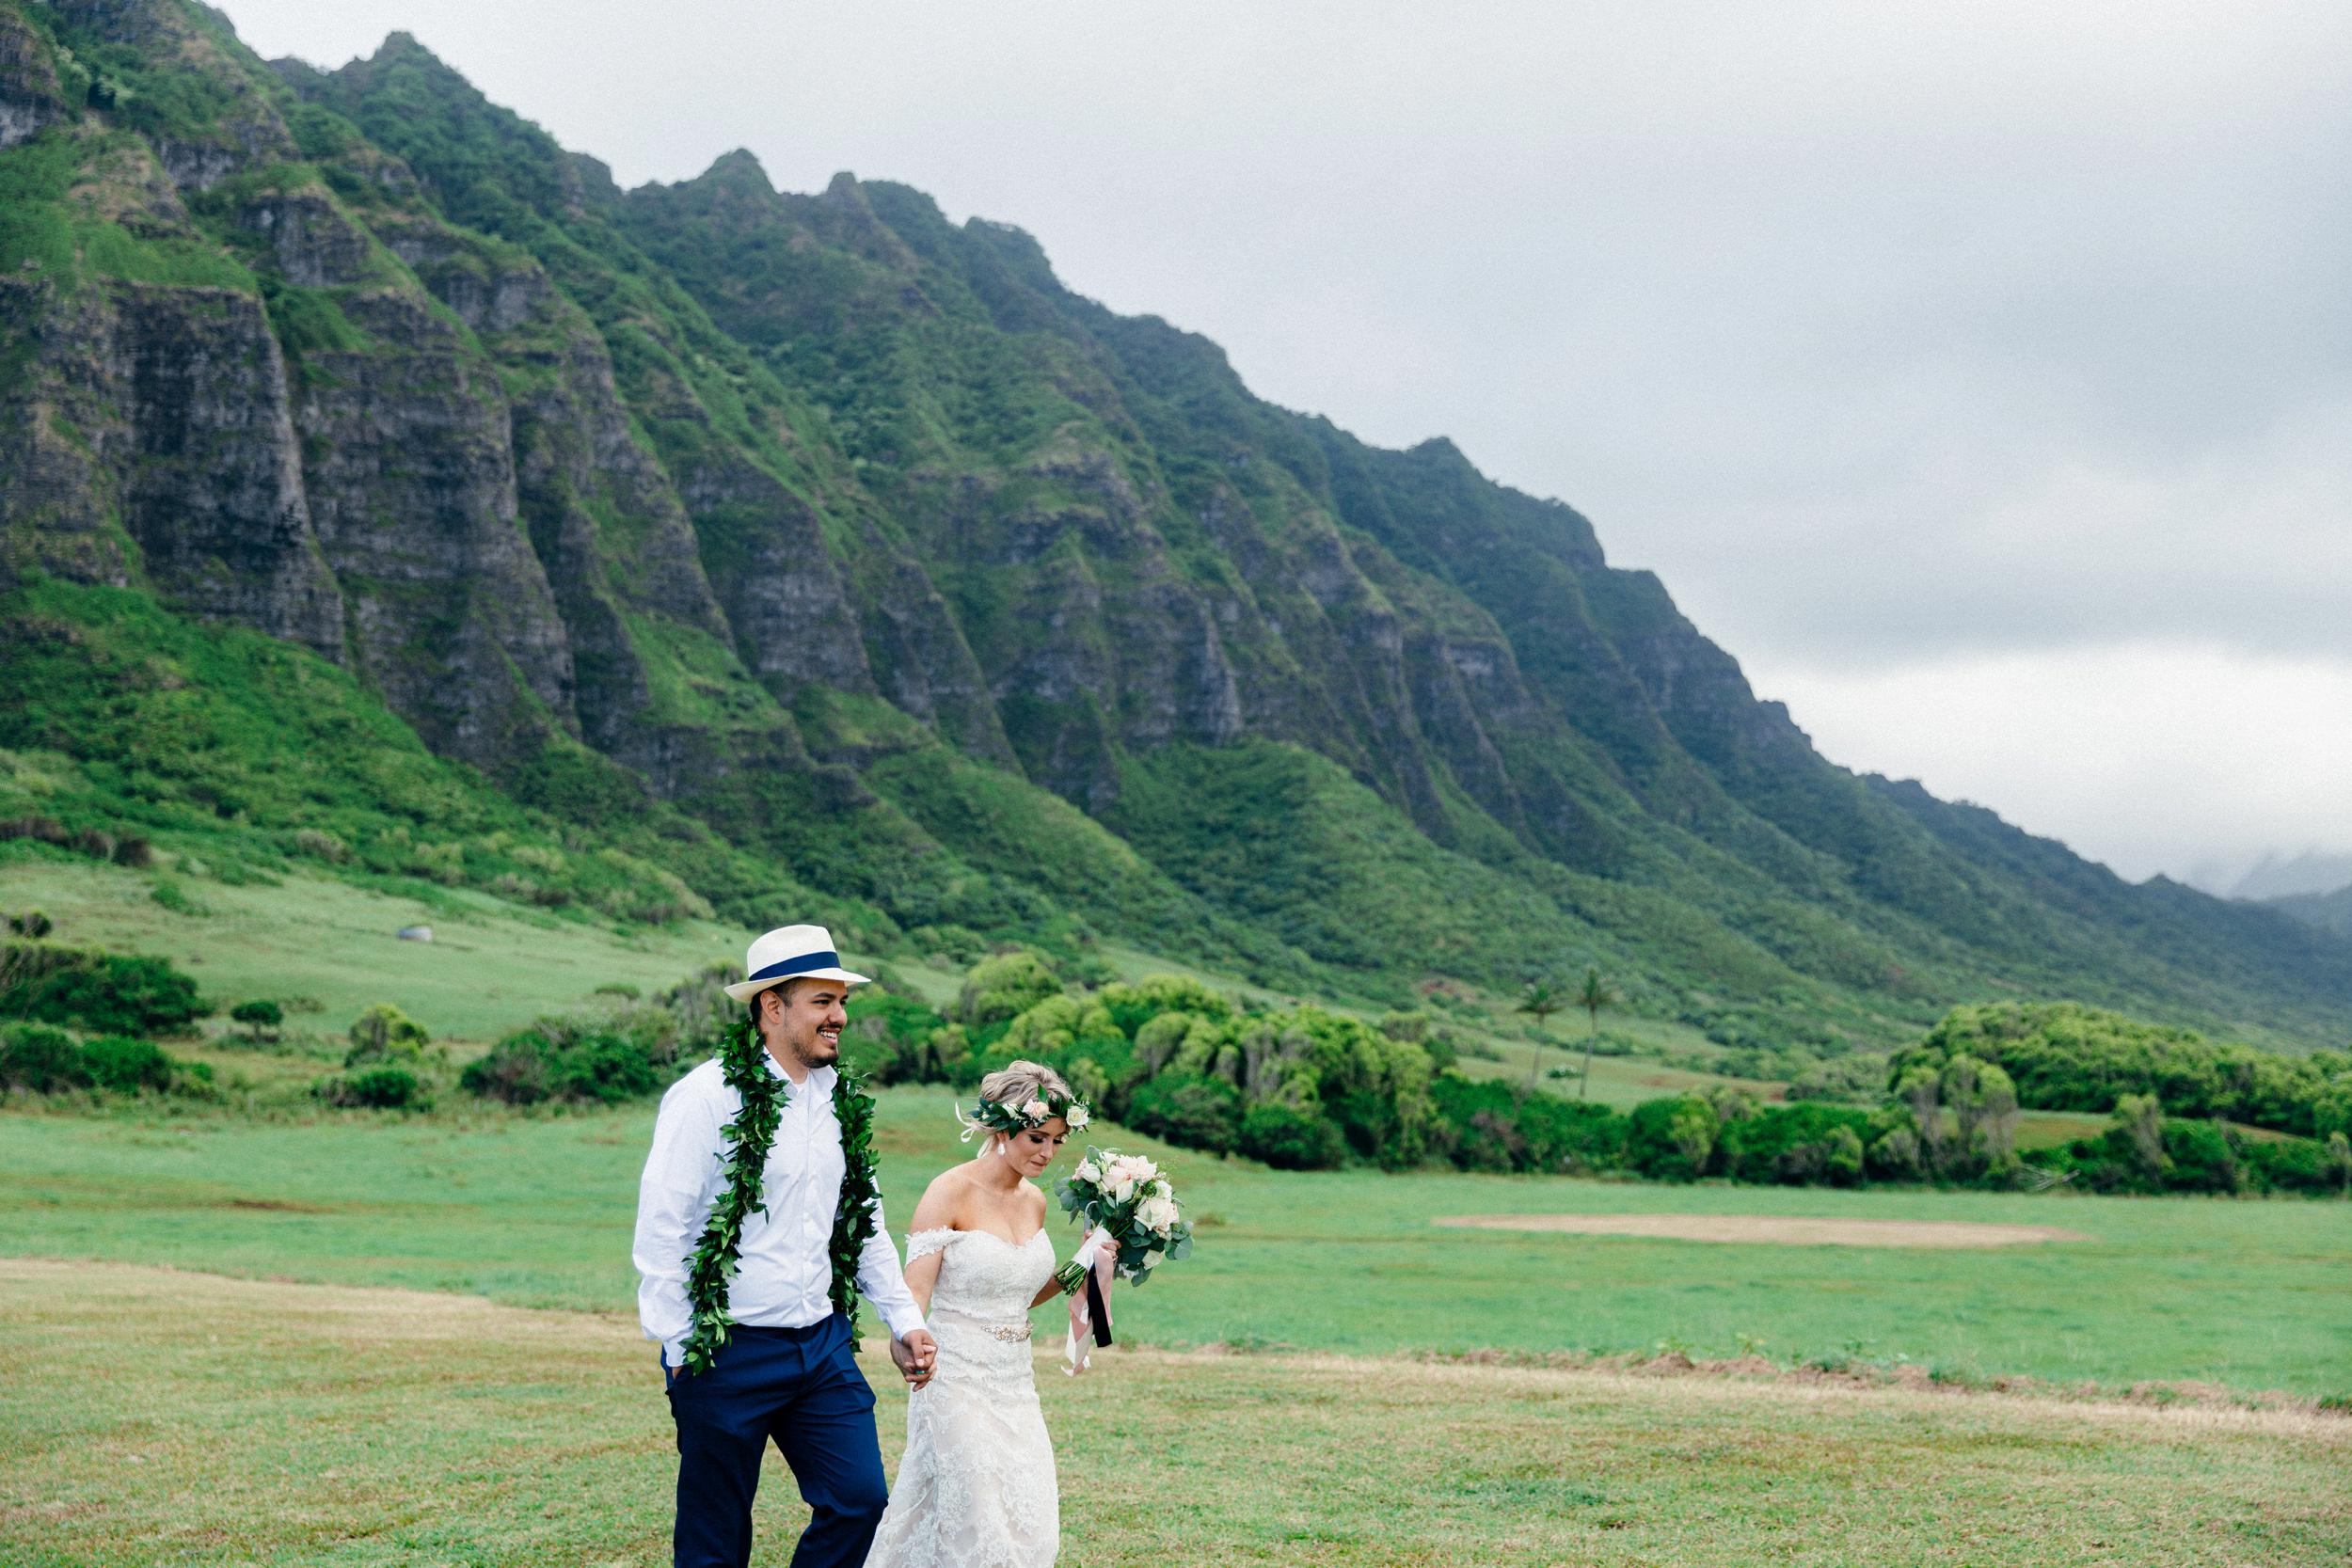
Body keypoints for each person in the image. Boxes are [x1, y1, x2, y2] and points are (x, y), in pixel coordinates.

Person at [633, 924, 940, 1568]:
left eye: (841, 1001)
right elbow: (663, 1227)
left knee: (861, 1500)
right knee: (713, 1538)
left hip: (821, 1345)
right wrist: (680, 1344)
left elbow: (865, 1222)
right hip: (726, 1349)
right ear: (773, 1006)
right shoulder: (705, 1097)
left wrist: (905, 1318)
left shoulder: (840, 1100)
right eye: (823, 1002)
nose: (840, 1016)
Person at [863, 1060, 1108, 1568]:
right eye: (1037, 1137)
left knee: (1027, 1515)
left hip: (1014, 1379)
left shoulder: (1035, 1201)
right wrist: (903, 1339)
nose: (1048, 1152)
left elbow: (1025, 1292)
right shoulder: (949, 1191)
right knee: (978, 1515)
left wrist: (1084, 1262)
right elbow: (914, 1292)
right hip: (953, 1375)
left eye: (1057, 1141)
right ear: (1001, 1128)